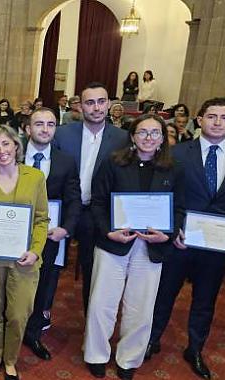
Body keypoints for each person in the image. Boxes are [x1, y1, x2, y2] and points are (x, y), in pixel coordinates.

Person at [147, 97, 225, 380]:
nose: (217, 122)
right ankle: (151, 340)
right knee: (163, 296)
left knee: (205, 301)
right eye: (211, 116)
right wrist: (172, 231)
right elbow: (162, 197)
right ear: (199, 120)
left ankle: (195, 349)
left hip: (217, 247)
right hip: (180, 241)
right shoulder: (177, 154)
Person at [84, 114, 185, 380]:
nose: (148, 138)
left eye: (155, 133)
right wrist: (109, 231)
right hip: (113, 243)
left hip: (151, 247)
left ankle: (128, 359)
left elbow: (181, 208)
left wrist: (167, 234)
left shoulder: (174, 168)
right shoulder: (114, 163)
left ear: (163, 138)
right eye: (142, 132)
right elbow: (98, 202)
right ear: (132, 136)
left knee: (140, 306)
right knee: (101, 303)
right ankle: (96, 354)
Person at [0, 125, 48, 380]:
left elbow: (41, 220)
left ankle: (11, 358)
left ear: (16, 146)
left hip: (24, 261)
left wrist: (36, 251)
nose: (1, 151)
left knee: (17, 313)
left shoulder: (35, 177)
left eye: (6, 144)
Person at [53, 82, 130, 314]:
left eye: (101, 101)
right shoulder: (62, 134)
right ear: (80, 107)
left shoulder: (122, 139)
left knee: (93, 270)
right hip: (61, 210)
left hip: (95, 213)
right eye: (89, 102)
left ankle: (91, 319)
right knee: (50, 267)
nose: (96, 107)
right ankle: (40, 318)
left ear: (108, 104)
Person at [21, 108, 81, 361]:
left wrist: (66, 229)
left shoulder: (66, 161)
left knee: (45, 285)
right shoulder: (12, 155)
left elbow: (74, 199)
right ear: (27, 129)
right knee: (14, 282)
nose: (45, 129)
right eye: (39, 124)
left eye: (51, 124)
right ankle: (10, 328)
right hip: (17, 233)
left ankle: (33, 333)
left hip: (51, 235)